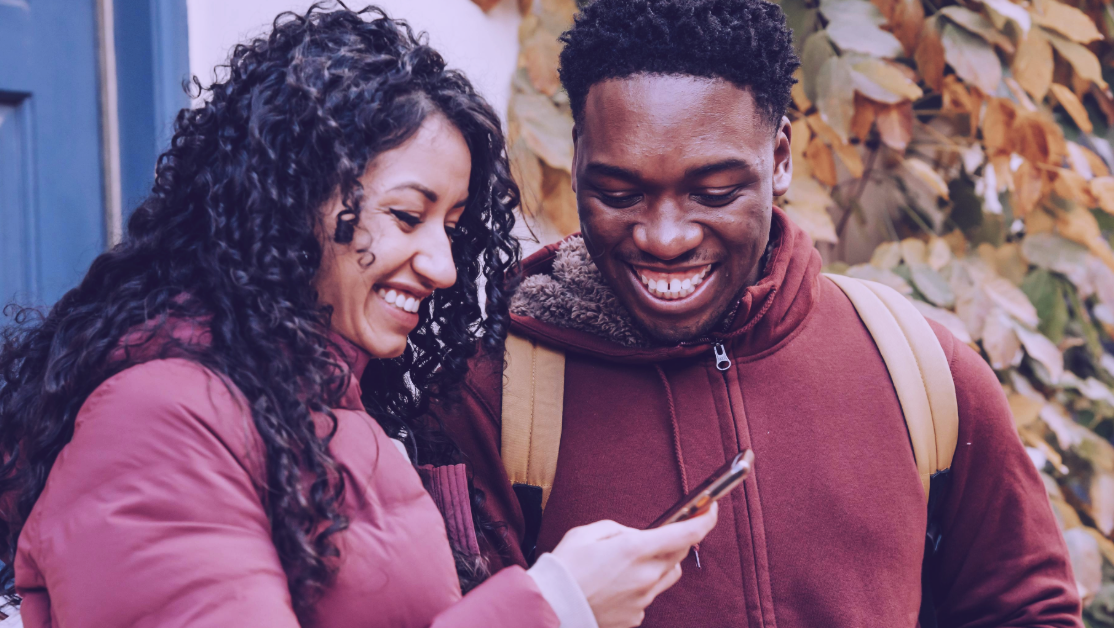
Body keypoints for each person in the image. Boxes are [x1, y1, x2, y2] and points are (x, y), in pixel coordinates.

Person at [0, 5, 719, 628]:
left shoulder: (344, 407)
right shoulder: (161, 419)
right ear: (291, 203)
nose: (444, 267)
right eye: (407, 215)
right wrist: (554, 608)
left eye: (450, 226)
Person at [432, 0, 1084, 626]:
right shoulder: (495, 396)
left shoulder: (919, 369)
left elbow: (1028, 610)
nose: (665, 237)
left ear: (779, 159)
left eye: (714, 192)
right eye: (619, 192)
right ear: (576, 160)